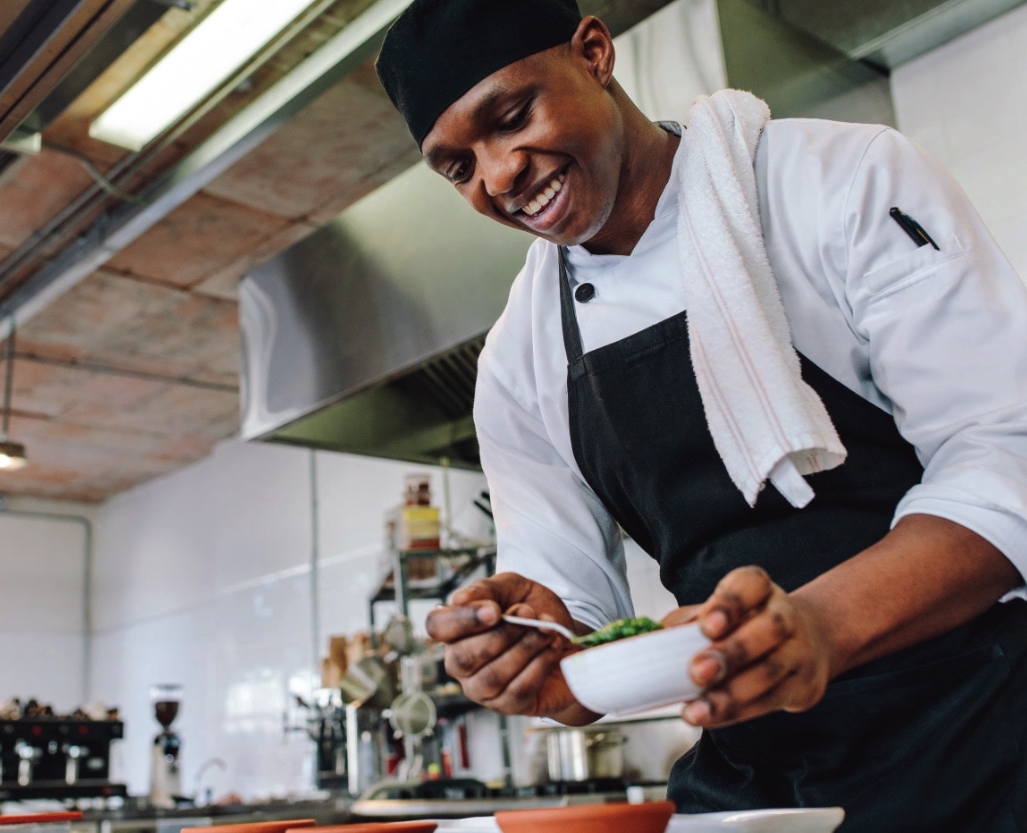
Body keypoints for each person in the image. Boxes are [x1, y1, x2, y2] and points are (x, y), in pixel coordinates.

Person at [374, 1, 1027, 830]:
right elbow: (569, 606)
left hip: (978, 739)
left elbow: (1006, 454)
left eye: (511, 117)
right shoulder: (518, 359)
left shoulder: (840, 180)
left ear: (595, 52)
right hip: (751, 778)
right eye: (458, 168)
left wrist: (819, 626)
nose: (499, 175)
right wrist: (530, 651)